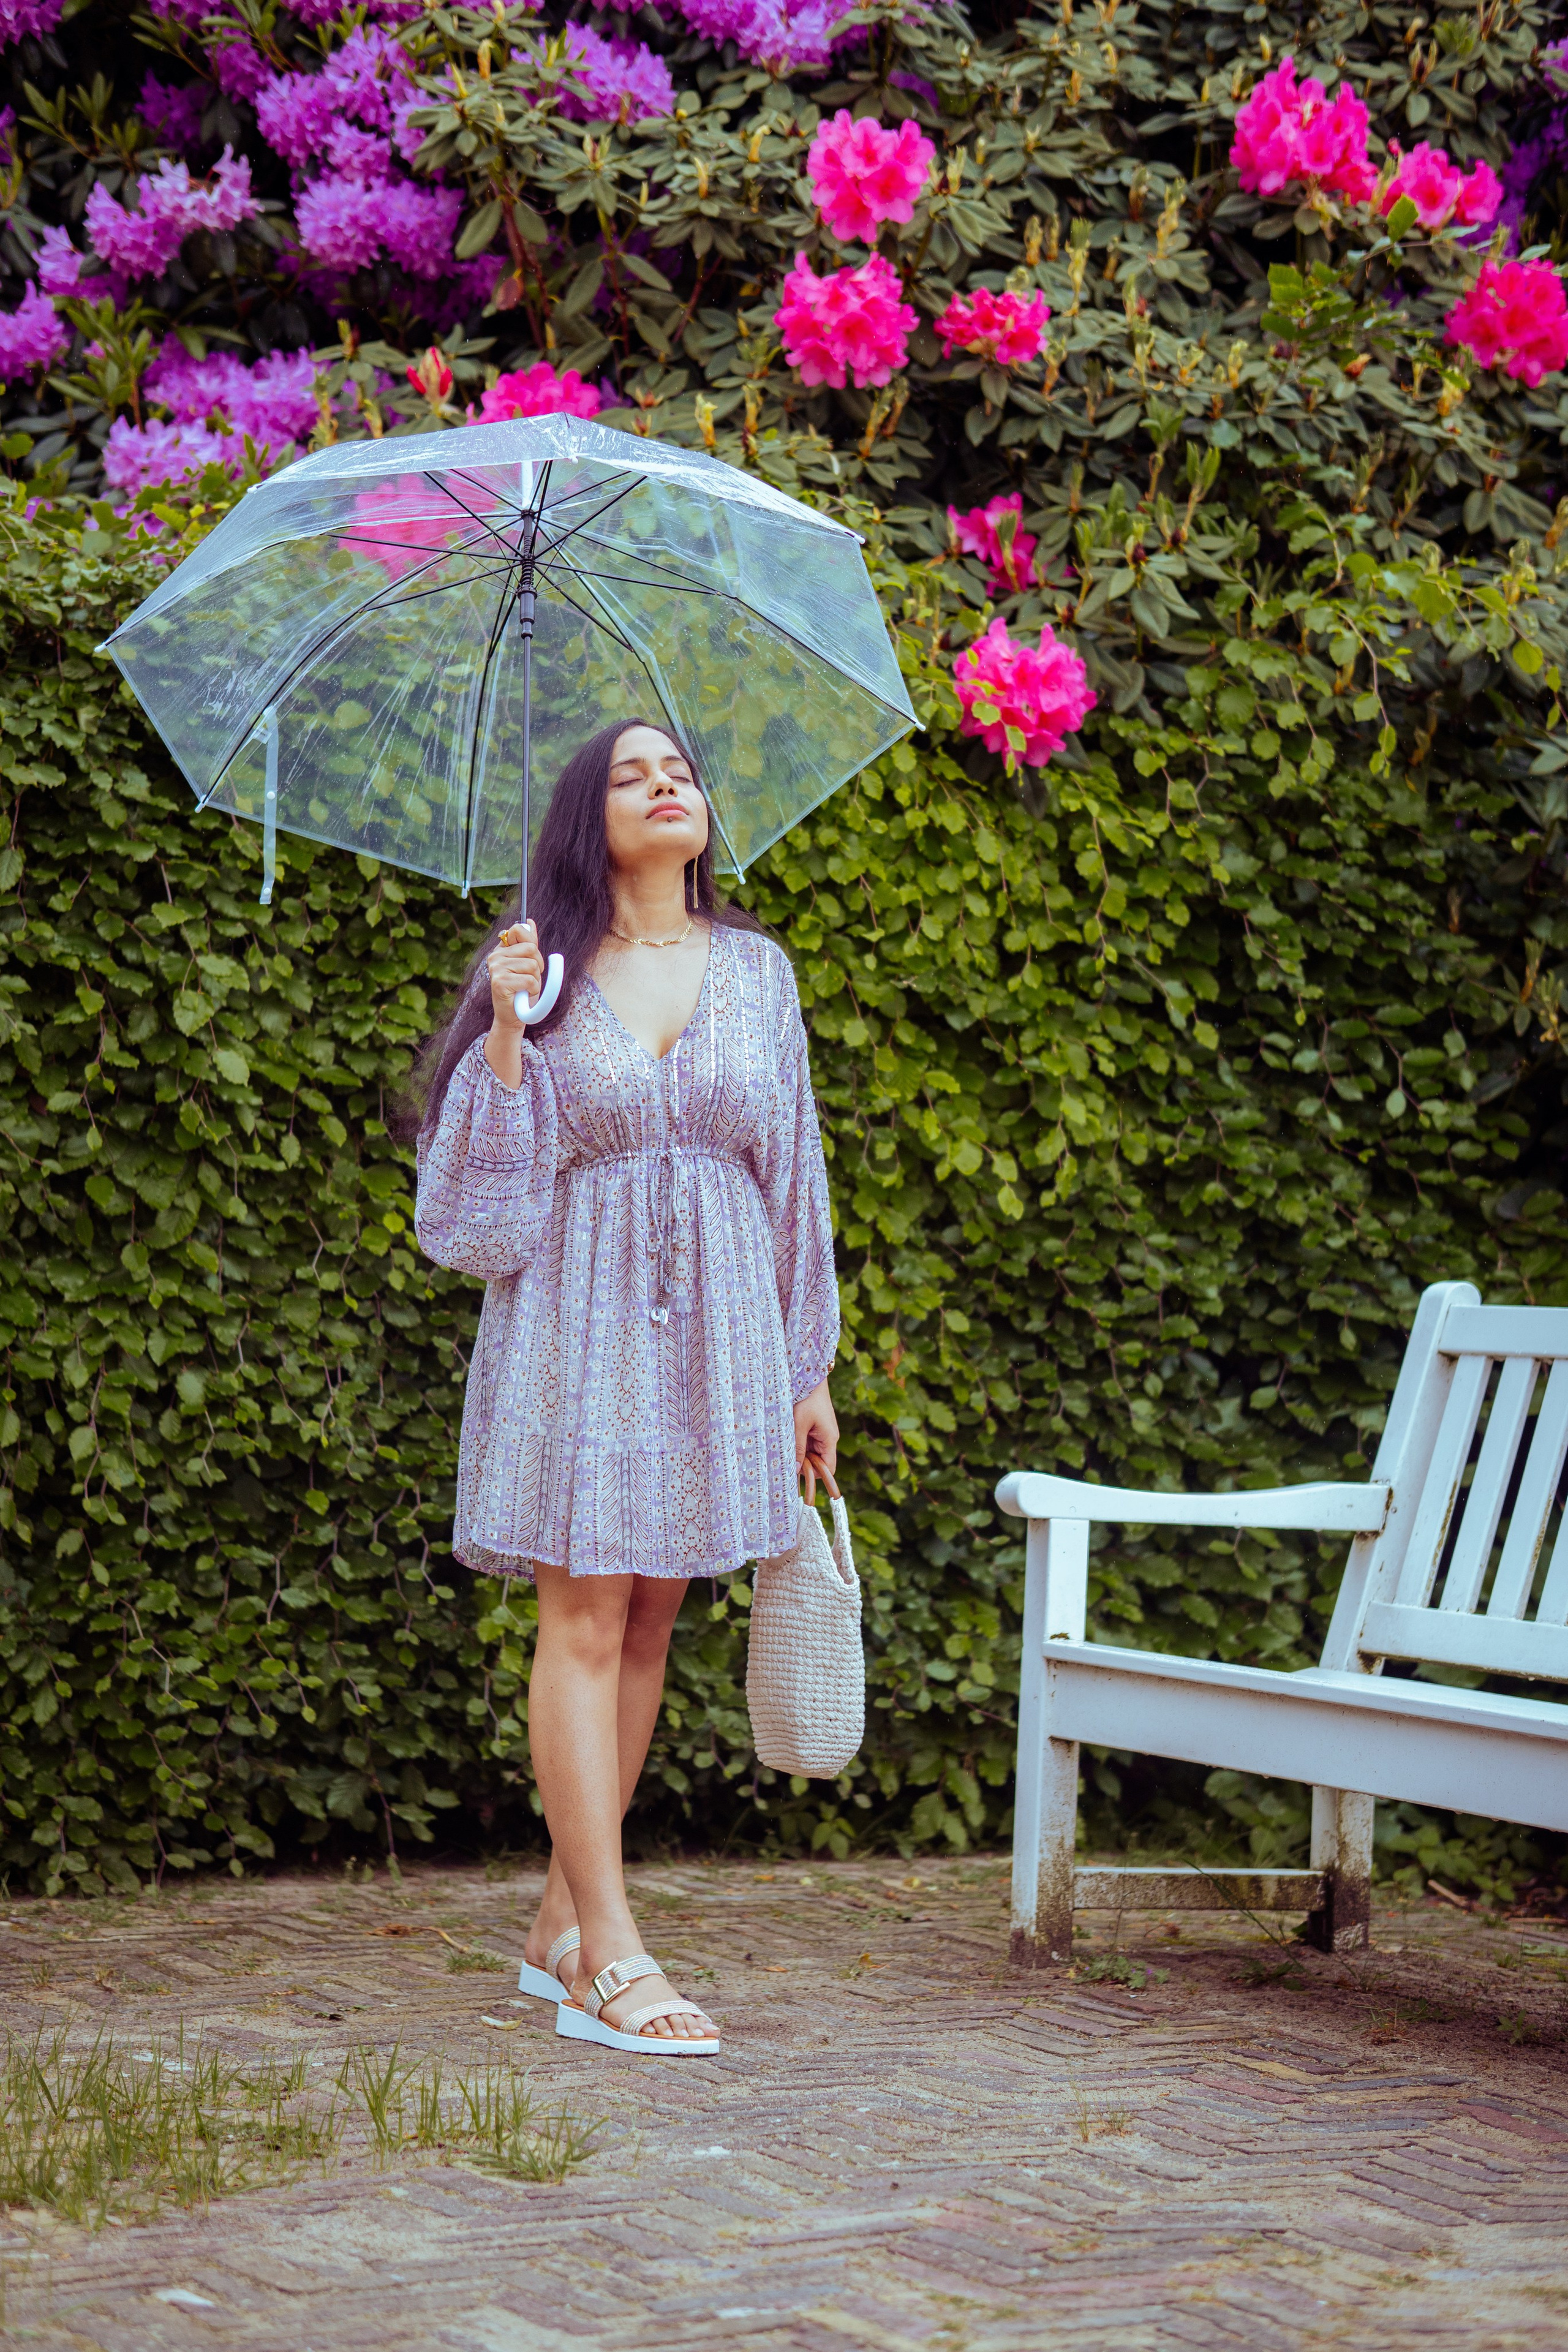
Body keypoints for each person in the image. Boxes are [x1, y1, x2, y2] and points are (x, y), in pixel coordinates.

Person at [409, 718, 840, 2054]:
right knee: (584, 1621)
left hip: (721, 1333)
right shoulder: (537, 979)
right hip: (574, 1322)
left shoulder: (758, 976)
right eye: (630, 773)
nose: (668, 784)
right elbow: (475, 1224)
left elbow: (796, 1184)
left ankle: (555, 1920)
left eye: (682, 769)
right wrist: (499, 1033)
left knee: (652, 1619)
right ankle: (612, 1954)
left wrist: (805, 1366)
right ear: (583, 822)